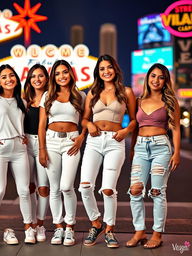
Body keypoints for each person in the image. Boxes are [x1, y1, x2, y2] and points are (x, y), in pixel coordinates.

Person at [79, 54, 136, 248]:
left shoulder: (125, 92)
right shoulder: (92, 92)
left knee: (108, 189)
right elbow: (84, 118)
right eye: (102, 69)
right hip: (94, 142)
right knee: (85, 186)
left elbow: (135, 119)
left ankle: (110, 229)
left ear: (115, 69)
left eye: (109, 67)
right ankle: (96, 223)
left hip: (115, 141)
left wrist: (126, 130)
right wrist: (89, 124)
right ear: (98, 72)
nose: (106, 72)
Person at [126, 63, 180, 249]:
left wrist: (177, 153)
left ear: (166, 81)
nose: (156, 80)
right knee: (135, 191)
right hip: (140, 147)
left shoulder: (170, 102)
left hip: (161, 148)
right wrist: (132, 148)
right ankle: (139, 231)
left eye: (161, 77)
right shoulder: (139, 100)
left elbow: (176, 129)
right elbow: (134, 127)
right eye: (153, 76)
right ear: (148, 78)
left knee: (157, 192)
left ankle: (157, 234)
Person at [0, 64, 34, 253]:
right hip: (0, 148)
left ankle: (29, 228)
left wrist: (25, 137)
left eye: (11, 75)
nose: (8, 79)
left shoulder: (22, 101)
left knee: (24, 190)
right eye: (4, 77)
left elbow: (24, 123)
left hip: (19, 148)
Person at [38, 60, 86, 246]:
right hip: (50, 142)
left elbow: (86, 120)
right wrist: (42, 149)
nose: (61, 76)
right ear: (53, 77)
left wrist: (82, 137)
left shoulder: (80, 95)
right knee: (55, 188)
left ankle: (70, 227)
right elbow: (42, 125)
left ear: (71, 74)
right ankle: (58, 227)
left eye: (65, 72)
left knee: (67, 186)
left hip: (71, 142)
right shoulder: (47, 95)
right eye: (57, 73)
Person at [23, 64, 50, 242]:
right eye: (33, 76)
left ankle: (40, 224)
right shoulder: (23, 100)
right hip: (25, 145)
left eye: (41, 76)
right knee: (28, 188)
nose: (37, 79)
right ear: (29, 79)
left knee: (43, 188)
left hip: (44, 144)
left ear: (46, 79)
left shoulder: (50, 99)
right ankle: (30, 225)